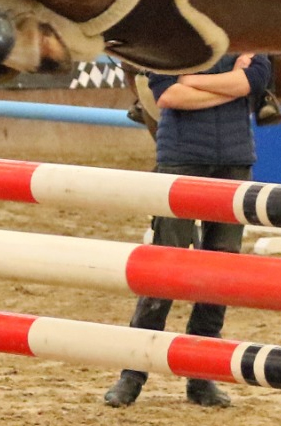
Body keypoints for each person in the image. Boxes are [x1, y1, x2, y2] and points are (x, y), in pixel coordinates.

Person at [102, 51, 272, 409]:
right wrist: (231, 88)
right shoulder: (173, 38)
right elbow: (168, 96)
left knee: (220, 271)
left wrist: (193, 80)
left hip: (235, 161)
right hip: (180, 159)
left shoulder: (246, 31)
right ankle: (133, 372)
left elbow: (253, 81)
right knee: (165, 268)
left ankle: (201, 373)